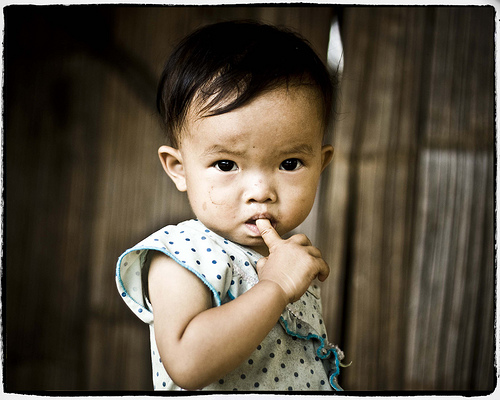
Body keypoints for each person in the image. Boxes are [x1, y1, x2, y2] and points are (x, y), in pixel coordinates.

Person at [116, 20, 347, 391]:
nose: (260, 191)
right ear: (180, 170)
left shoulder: (286, 258)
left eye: (289, 164)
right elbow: (187, 364)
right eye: (226, 165)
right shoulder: (182, 256)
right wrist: (275, 286)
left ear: (321, 164)